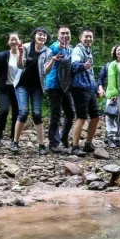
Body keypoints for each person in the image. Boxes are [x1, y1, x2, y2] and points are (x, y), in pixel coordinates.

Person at [11, 28, 50, 155]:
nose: (42, 37)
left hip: (37, 87)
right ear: (34, 36)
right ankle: (15, 142)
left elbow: (45, 71)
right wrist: (21, 53)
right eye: (40, 35)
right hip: (22, 85)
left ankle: (41, 145)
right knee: (23, 112)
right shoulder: (26, 47)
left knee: (37, 114)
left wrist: (53, 61)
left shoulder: (48, 51)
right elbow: (20, 65)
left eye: (44, 35)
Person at [43, 25, 76, 153]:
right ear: (58, 35)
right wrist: (59, 47)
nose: (65, 36)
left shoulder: (71, 49)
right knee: (55, 114)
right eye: (62, 33)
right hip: (54, 84)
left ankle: (63, 136)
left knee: (71, 113)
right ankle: (53, 143)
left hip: (66, 86)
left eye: (67, 33)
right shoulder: (54, 47)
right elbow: (54, 50)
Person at [69, 29, 99, 156]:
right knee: (81, 117)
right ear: (80, 37)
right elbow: (74, 64)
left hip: (89, 87)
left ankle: (88, 143)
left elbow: (90, 72)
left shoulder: (88, 51)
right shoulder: (78, 50)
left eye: (90, 37)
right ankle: (75, 146)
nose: (88, 39)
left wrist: (96, 87)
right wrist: (82, 66)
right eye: (86, 36)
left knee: (96, 116)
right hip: (80, 87)